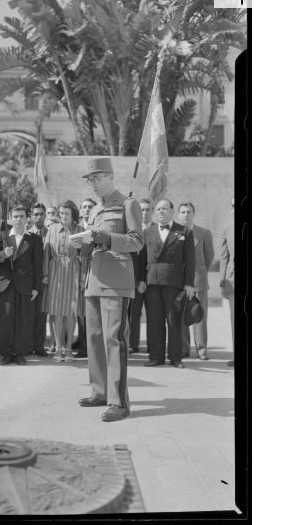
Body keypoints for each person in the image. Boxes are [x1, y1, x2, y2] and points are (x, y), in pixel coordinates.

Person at [78, 158, 143, 422]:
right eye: (90, 180)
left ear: (110, 176)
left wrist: (109, 239)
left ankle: (119, 401)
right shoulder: (94, 210)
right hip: (93, 280)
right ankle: (101, 391)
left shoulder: (128, 204)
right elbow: (92, 245)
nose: (92, 183)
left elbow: (137, 241)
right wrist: (82, 245)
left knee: (113, 340)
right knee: (93, 339)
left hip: (116, 282)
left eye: (96, 178)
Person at [138, 199, 195, 369]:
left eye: (164, 209)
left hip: (174, 283)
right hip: (152, 282)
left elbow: (190, 260)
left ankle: (175, 358)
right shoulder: (148, 231)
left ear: (172, 211)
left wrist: (189, 284)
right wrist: (140, 279)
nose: (161, 212)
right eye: (158, 209)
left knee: (174, 321)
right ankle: (156, 356)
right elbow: (141, 258)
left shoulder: (184, 231)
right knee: (154, 321)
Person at [0, 205, 43, 365]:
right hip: (6, 283)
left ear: (27, 219)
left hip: (25, 284)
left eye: (22, 216)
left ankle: (21, 352)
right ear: (10, 219)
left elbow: (38, 264)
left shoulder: (34, 239)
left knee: (23, 319)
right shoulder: (2, 237)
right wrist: (3, 255)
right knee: (6, 319)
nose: (19, 219)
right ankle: (6, 353)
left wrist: (36, 287)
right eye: (16, 216)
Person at [42, 200, 83, 363]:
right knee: (57, 311)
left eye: (67, 213)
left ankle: (68, 348)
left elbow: (85, 256)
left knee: (71, 312)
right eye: (61, 213)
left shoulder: (80, 230)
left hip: (73, 270)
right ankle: (58, 348)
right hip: (56, 271)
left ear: (73, 215)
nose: (63, 216)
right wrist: (45, 274)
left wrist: (82, 278)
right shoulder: (52, 229)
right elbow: (46, 252)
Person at [178, 202, 214, 360]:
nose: (186, 215)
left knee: (199, 315)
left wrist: (199, 273)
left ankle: (201, 349)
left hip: (199, 281)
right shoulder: (175, 233)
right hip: (180, 283)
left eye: (188, 212)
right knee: (182, 316)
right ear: (179, 214)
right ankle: (184, 349)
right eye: (183, 212)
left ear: (193, 214)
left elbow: (209, 257)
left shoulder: (204, 233)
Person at [128, 198, 154, 354]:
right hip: (136, 280)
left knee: (153, 315)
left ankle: (153, 345)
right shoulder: (133, 230)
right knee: (134, 314)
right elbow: (132, 259)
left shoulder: (157, 230)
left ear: (152, 212)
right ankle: (133, 344)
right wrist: (138, 280)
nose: (144, 213)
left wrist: (146, 279)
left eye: (148, 210)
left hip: (152, 280)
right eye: (142, 210)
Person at [75, 198, 97, 358]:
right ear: (81, 210)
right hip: (75, 275)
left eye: (90, 207)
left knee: (90, 313)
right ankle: (82, 342)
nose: (87, 209)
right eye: (84, 207)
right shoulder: (76, 229)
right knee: (79, 312)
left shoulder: (97, 227)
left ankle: (87, 347)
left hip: (94, 274)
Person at [27, 202, 48, 356]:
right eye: (36, 214)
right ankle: (28, 346)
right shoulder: (27, 235)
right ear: (31, 216)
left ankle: (39, 346)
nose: (38, 217)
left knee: (42, 314)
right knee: (29, 314)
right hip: (31, 281)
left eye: (41, 213)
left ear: (45, 215)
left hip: (48, 280)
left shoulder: (51, 233)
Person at [220, 197, 235, 367]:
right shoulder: (227, 227)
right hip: (232, 280)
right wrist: (223, 282)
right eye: (233, 205)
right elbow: (224, 256)